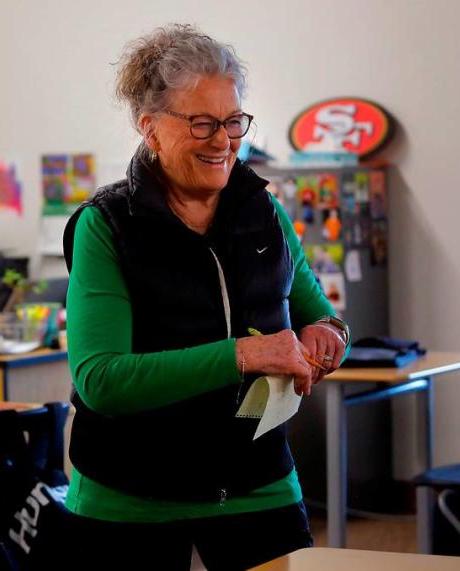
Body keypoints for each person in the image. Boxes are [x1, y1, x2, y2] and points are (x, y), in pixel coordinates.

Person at [60, 25, 350, 569]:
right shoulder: (105, 226)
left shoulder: (264, 212)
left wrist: (329, 337)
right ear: (149, 128)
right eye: (202, 123)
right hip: (131, 501)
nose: (223, 140)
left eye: (233, 121)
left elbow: (323, 316)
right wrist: (245, 354)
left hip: (260, 486)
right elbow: (101, 380)